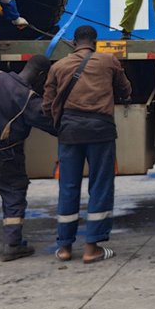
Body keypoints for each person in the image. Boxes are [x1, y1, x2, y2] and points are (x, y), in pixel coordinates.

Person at [43, 25, 132, 264]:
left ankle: (64, 247)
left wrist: (60, 126)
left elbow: (47, 103)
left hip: (70, 132)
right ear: (95, 42)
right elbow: (125, 89)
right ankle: (92, 247)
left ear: (74, 43)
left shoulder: (58, 66)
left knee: (68, 187)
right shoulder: (108, 61)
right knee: (100, 185)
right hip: (100, 131)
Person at [0, 55, 56, 261]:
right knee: (13, 194)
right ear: (41, 75)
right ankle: (12, 245)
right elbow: (51, 125)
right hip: (3, 153)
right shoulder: (28, 99)